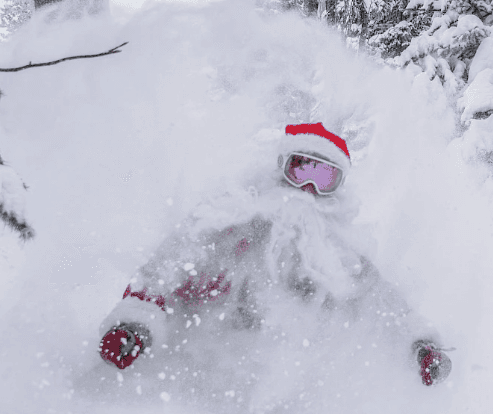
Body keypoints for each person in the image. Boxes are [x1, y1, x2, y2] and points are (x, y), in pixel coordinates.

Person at [96, 122, 452, 387]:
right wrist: (134, 325)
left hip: (280, 381)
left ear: (336, 190)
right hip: (194, 361)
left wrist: (420, 346)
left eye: (323, 178)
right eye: (301, 170)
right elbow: (165, 270)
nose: (308, 189)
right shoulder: (229, 221)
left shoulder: (336, 255)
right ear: (282, 168)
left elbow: (383, 304)